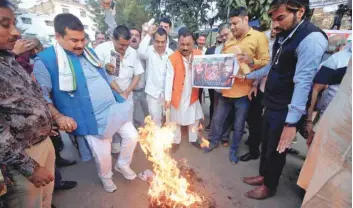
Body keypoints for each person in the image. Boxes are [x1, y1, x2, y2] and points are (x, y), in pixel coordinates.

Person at [33, 13, 139, 193]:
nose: (80, 45)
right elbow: (40, 95)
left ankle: (122, 164)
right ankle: (106, 177)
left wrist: (120, 93)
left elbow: (103, 76)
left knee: (132, 136)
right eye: (74, 40)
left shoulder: (89, 52)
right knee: (103, 153)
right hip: (90, 116)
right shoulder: (45, 61)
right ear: (58, 37)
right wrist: (58, 116)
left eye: (83, 39)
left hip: (113, 106)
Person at [242, 0, 328, 199]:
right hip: (272, 102)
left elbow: (304, 82)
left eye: (280, 18)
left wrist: (291, 123)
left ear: (300, 12)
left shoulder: (311, 39)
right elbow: (272, 67)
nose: (275, 25)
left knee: (277, 149)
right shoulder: (283, 36)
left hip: (287, 109)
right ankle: (263, 176)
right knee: (267, 143)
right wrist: (246, 76)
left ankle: (269, 187)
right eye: (273, 19)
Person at [0, 1, 55, 207]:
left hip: (42, 144)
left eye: (14, 23)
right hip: (21, 158)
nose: (15, 32)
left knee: (44, 201)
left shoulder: (8, 59)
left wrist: (47, 121)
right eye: (5, 24)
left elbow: (29, 97)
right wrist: (29, 167)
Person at [203, 7, 270, 165]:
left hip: (244, 92)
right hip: (225, 90)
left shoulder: (259, 37)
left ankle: (233, 151)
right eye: (230, 24)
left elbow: (266, 64)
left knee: (239, 125)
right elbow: (223, 62)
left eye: (235, 23)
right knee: (217, 119)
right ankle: (212, 141)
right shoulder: (230, 40)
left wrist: (251, 61)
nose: (232, 27)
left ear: (245, 19)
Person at [297, 58, 352, 208]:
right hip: (331, 127)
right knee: (316, 179)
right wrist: (311, 122)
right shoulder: (338, 59)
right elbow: (318, 85)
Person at [95, 25, 144, 154]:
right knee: (112, 125)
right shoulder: (101, 50)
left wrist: (127, 91)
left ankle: (126, 151)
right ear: (113, 39)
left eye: (126, 45)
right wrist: (104, 68)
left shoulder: (132, 53)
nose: (123, 48)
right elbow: (94, 73)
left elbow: (138, 74)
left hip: (126, 95)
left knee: (127, 124)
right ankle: (114, 146)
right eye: (121, 45)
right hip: (108, 96)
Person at [239, 28, 276, 162]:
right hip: (261, 88)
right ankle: (254, 145)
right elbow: (262, 69)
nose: (274, 28)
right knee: (253, 119)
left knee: (263, 124)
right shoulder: (270, 44)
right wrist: (254, 84)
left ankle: (255, 151)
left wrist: (246, 76)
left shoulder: (283, 47)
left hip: (275, 93)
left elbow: (267, 69)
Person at [306, 44, 351, 147]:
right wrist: (309, 119)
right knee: (318, 148)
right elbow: (316, 88)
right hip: (329, 116)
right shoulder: (338, 58)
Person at [165, 28, 204, 148]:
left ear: (194, 43)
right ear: (178, 43)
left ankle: (193, 138)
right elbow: (168, 79)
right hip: (178, 94)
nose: (185, 48)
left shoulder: (199, 55)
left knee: (194, 118)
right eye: (182, 44)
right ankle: (176, 141)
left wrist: (196, 66)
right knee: (175, 119)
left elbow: (205, 75)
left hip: (193, 94)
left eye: (188, 44)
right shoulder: (172, 58)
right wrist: (168, 99)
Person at [138, 25, 174, 126]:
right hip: (152, 94)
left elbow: (171, 77)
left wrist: (168, 98)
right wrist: (149, 34)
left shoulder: (171, 54)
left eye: (163, 42)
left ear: (166, 41)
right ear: (153, 41)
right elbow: (140, 52)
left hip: (167, 95)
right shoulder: (148, 51)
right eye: (157, 41)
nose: (160, 44)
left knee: (168, 121)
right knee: (155, 122)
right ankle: (156, 141)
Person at [129, 27, 149, 127]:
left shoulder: (144, 53)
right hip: (130, 92)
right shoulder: (124, 53)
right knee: (129, 117)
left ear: (140, 39)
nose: (134, 38)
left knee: (148, 115)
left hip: (144, 91)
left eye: (136, 36)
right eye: (131, 35)